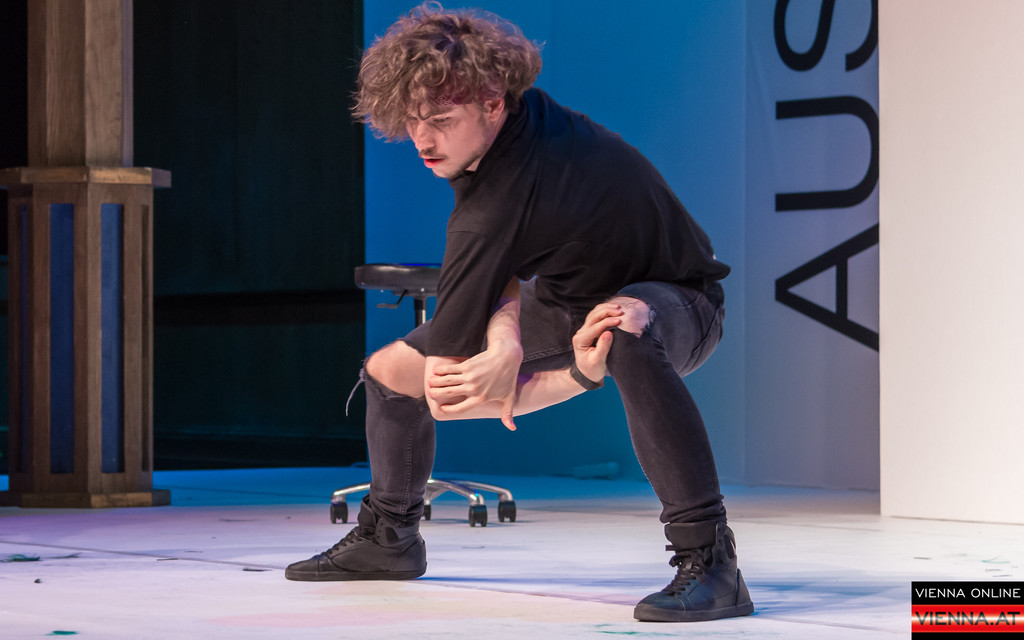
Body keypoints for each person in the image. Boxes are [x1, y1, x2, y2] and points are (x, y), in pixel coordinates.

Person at [286, 2, 753, 623]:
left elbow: (451, 394)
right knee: (389, 372)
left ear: (491, 101)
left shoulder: (504, 188)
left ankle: (712, 561)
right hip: (566, 302)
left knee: (622, 328)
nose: (423, 140)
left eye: (441, 120)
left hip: (681, 298)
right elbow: (506, 265)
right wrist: (504, 338)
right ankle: (389, 537)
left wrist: (573, 373)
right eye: (415, 119)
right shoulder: (504, 134)